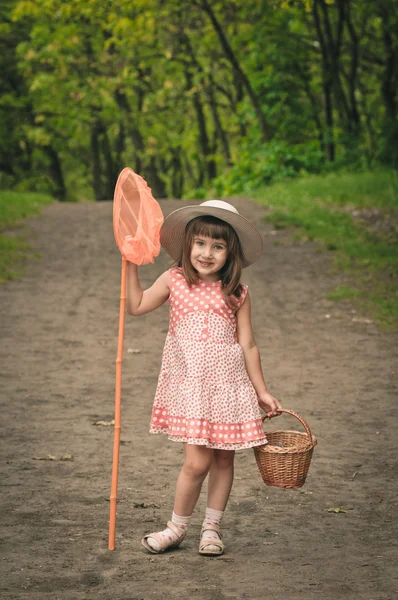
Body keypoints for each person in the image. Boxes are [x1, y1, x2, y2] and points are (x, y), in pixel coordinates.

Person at [126, 200, 282, 556]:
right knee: (197, 462)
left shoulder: (237, 292)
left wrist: (262, 391)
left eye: (218, 246)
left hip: (229, 386)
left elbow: (249, 344)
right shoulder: (175, 279)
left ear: (231, 253)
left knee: (224, 459)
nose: (206, 253)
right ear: (187, 244)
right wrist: (131, 266)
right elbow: (136, 306)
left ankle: (211, 529)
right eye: (200, 243)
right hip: (192, 387)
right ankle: (176, 528)